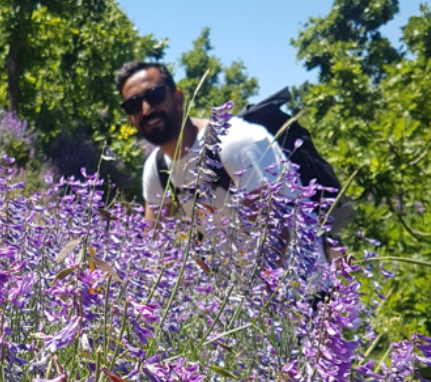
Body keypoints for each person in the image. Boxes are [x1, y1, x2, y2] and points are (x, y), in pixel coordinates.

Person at [115, 60, 329, 268]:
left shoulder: (234, 143)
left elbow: (275, 234)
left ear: (178, 99)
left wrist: (251, 300)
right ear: (130, 118)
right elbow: (153, 247)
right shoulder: (156, 168)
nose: (145, 109)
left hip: (302, 290)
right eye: (133, 104)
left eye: (155, 96)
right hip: (239, 291)